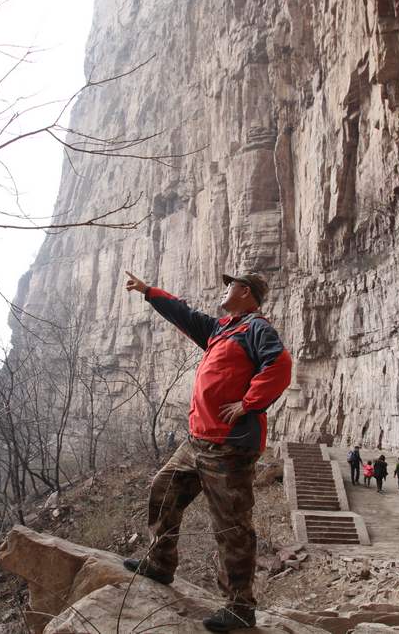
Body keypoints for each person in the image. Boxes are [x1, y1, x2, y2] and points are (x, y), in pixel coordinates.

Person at [121, 270, 293, 632]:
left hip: (229, 447)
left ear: (244, 291)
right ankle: (160, 563)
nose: (224, 289)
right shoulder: (221, 330)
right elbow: (183, 314)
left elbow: (279, 365)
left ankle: (239, 607)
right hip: (197, 441)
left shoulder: (256, 329)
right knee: (163, 489)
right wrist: (149, 291)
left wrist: (249, 403)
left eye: (230, 285)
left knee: (231, 527)